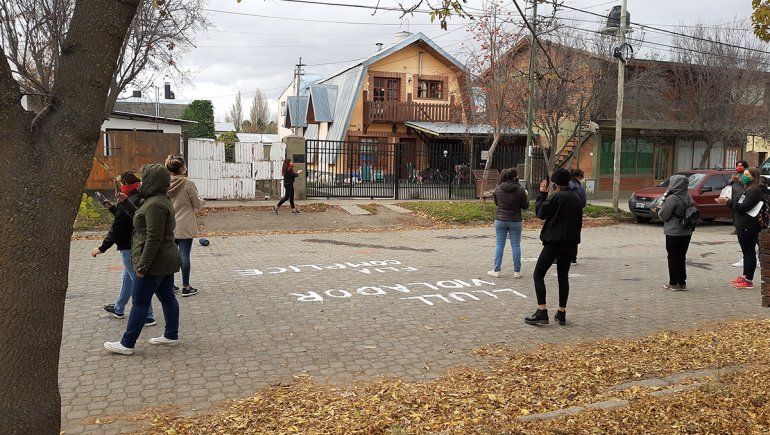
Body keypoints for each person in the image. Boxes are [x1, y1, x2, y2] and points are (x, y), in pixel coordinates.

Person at [104, 164, 183, 355]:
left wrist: (142, 266)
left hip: (155, 261)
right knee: (167, 297)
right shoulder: (157, 200)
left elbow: (153, 237)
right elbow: (141, 219)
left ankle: (127, 343)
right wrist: (125, 203)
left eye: (145, 178)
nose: (141, 181)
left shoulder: (155, 203)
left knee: (140, 302)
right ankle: (171, 335)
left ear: (152, 180)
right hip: (165, 259)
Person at [92, 172, 155, 325]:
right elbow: (127, 216)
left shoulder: (130, 199)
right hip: (133, 243)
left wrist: (102, 248)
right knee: (127, 278)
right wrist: (112, 207)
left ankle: (148, 315)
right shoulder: (137, 198)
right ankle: (119, 308)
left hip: (128, 246)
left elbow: (118, 226)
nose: (119, 187)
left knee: (137, 281)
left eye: (120, 184)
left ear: (125, 185)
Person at [525, 169, 583, 326]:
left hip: (554, 242)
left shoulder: (556, 197)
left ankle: (542, 311)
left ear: (555, 184)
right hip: (570, 243)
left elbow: (541, 213)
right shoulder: (576, 198)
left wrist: (542, 194)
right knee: (563, 276)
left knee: (538, 275)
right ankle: (561, 312)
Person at [166, 155, 204, 297]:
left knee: (170, 255)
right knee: (184, 255)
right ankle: (186, 286)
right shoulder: (188, 183)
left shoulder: (164, 183)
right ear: (182, 168)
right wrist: (202, 201)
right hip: (185, 223)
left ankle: (169, 285)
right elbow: (197, 204)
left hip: (169, 223)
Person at [487, 168, 529, 279]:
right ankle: (517, 271)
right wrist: (526, 195)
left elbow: (496, 203)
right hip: (515, 220)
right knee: (516, 245)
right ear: (514, 177)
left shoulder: (498, 188)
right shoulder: (520, 189)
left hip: (500, 219)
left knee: (500, 245)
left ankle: (496, 270)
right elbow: (525, 206)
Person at [727, 167, 764, 290]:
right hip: (742, 224)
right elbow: (740, 204)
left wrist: (728, 203)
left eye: (747, 175)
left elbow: (744, 207)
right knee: (746, 253)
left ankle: (749, 280)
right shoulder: (748, 189)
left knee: (749, 252)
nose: (744, 176)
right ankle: (745, 276)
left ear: (753, 177)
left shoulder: (755, 191)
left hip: (749, 225)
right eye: (744, 174)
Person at [657, 174, 694, 291]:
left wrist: (659, 211)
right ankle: (682, 282)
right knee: (681, 257)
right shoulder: (688, 196)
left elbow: (663, 215)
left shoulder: (672, 198)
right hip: (687, 231)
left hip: (673, 231)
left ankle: (673, 283)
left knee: (673, 257)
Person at [729, 161, 749, 267]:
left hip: (743, 200)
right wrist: (732, 180)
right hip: (734, 200)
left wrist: (740, 180)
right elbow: (729, 184)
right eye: (737, 165)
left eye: (740, 166)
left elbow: (748, 185)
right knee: (735, 217)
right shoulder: (734, 174)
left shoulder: (747, 174)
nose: (738, 167)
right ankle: (737, 227)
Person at [567, 168, 587, 264]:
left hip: (565, 214)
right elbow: (583, 203)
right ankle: (573, 258)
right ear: (579, 177)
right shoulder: (580, 187)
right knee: (574, 235)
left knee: (564, 235)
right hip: (576, 214)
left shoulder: (565, 185)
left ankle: (561, 257)